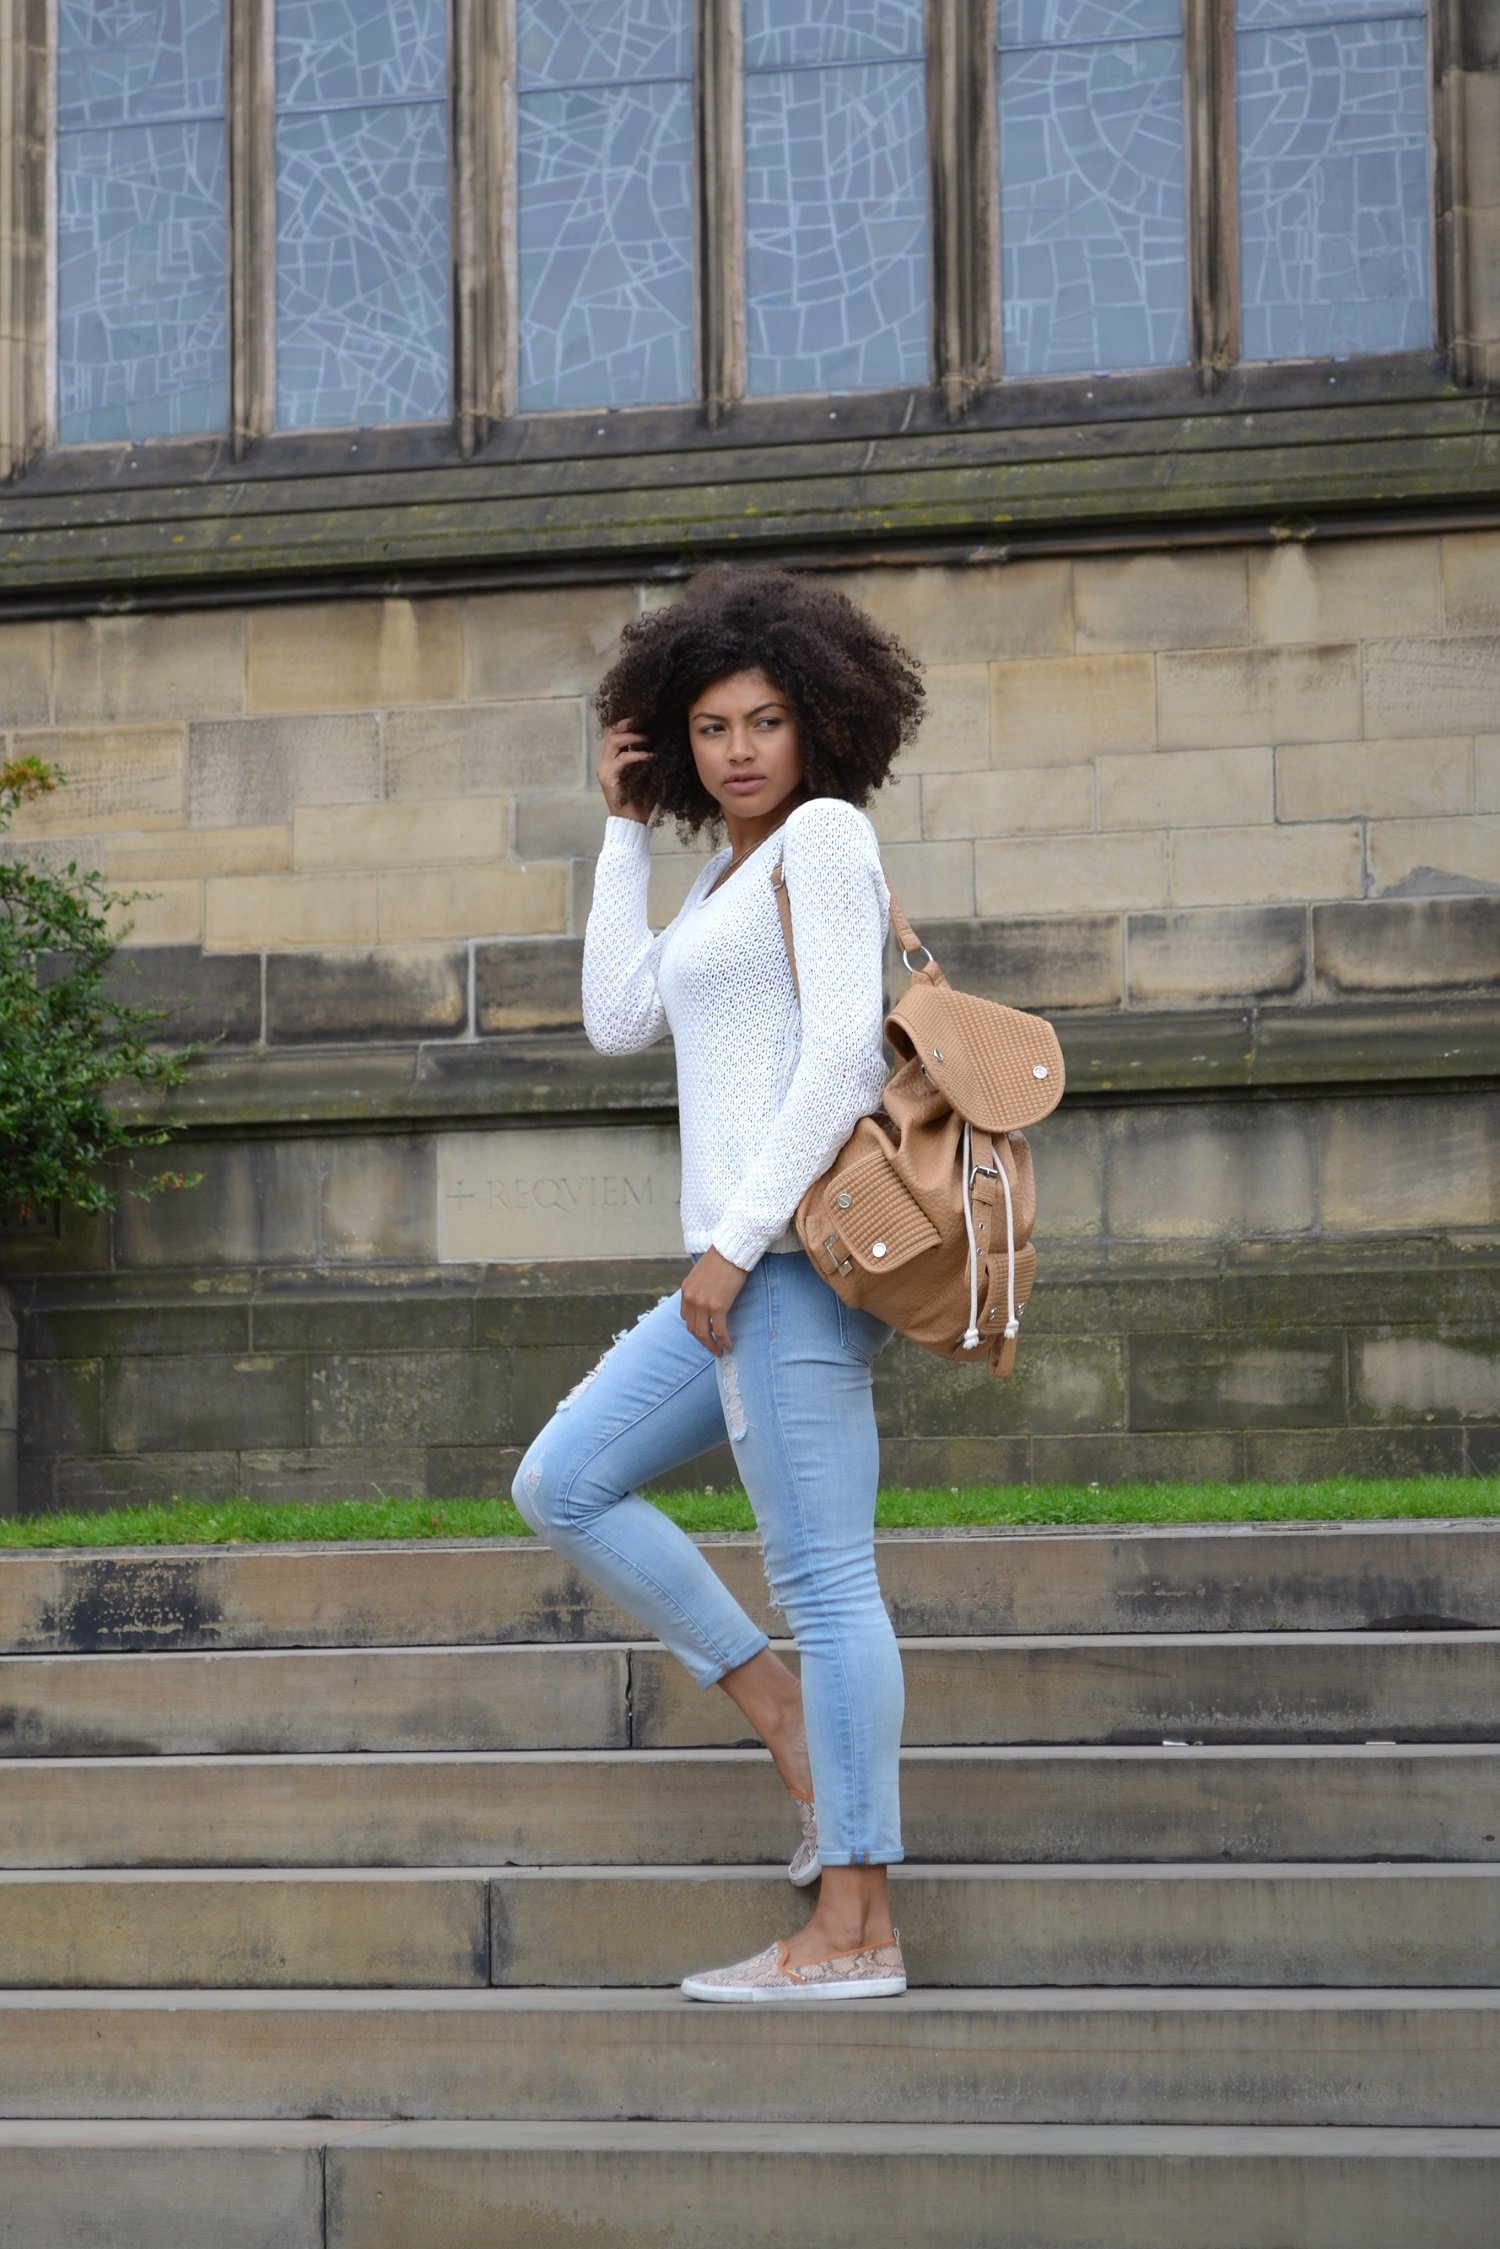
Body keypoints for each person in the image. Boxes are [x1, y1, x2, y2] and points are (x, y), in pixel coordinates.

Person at [513, 564, 925, 2002]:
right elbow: (619, 1015)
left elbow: (837, 1060)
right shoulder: (719, 869)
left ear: (816, 722)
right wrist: (623, 831)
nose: (738, 748)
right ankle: (785, 1721)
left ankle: (857, 1927)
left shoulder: (824, 837)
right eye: (708, 728)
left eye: (763, 719)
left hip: (791, 1265)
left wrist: (736, 1242)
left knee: (829, 1579)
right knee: (560, 1480)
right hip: (733, 1277)